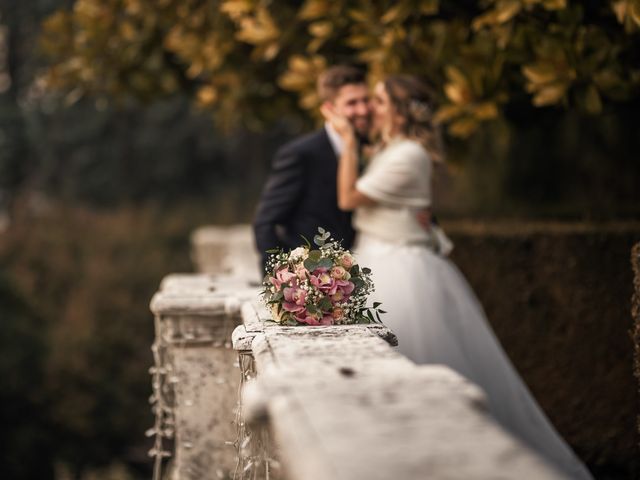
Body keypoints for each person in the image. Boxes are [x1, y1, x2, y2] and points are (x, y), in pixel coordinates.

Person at [321, 74, 593, 480]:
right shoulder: (391, 149)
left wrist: (344, 141)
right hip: (380, 259)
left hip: (403, 270)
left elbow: (348, 199)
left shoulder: (408, 155)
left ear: (398, 109)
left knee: (418, 367)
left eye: (378, 100)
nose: (371, 109)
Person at [253, 65, 370, 270]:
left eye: (365, 100)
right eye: (352, 103)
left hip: (369, 271)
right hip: (314, 279)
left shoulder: (373, 149)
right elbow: (265, 222)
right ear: (330, 109)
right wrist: (279, 281)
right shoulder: (301, 154)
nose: (363, 110)